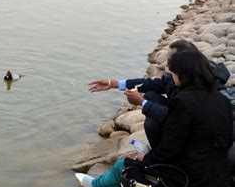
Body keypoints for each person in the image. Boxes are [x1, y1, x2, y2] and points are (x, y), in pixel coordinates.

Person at [74, 50, 233, 187]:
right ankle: (95, 184)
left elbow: (170, 150)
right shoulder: (221, 100)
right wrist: (114, 83)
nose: (172, 75)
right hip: (217, 178)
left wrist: (146, 157)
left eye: (173, 72)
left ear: (182, 74)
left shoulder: (183, 102)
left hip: (192, 184)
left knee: (127, 166)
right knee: (134, 164)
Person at [88, 40, 230, 148]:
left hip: (197, 140)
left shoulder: (202, 89)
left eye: (170, 61)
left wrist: (142, 103)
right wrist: (113, 83)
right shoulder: (189, 76)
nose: (167, 66)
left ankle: (160, 153)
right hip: (185, 125)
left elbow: (177, 117)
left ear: (184, 61)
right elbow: (154, 84)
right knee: (151, 94)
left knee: (151, 121)